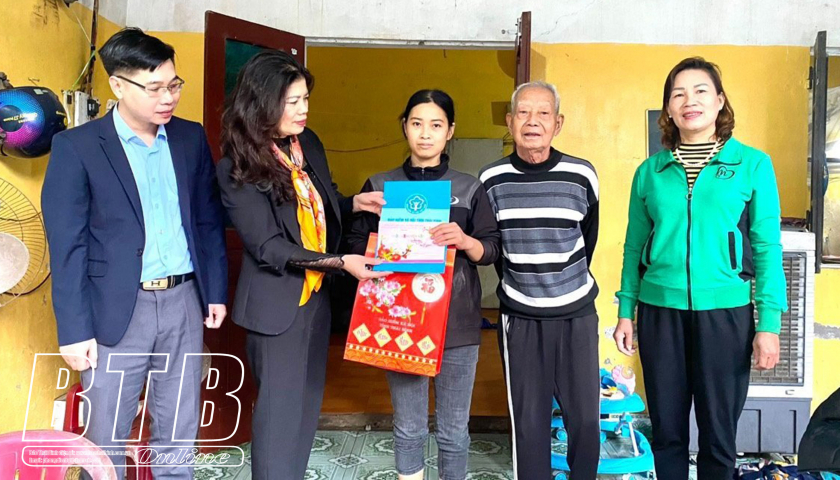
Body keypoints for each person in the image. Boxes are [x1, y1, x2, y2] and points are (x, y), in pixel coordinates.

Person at [42, 28, 228, 478]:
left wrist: (214, 291)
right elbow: (67, 246)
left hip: (183, 303)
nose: (168, 98)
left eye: (174, 85)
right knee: (106, 436)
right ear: (118, 85)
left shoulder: (189, 138)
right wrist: (73, 330)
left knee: (179, 431)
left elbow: (206, 220)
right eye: (154, 88)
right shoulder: (77, 147)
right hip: (115, 310)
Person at [216, 50, 388, 480]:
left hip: (316, 301)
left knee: (305, 411)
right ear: (262, 103)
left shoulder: (306, 143)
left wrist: (353, 203)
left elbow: (314, 210)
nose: (302, 109)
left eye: (305, 98)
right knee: (277, 420)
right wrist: (340, 262)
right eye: (291, 101)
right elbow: (269, 246)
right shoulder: (238, 165)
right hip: (277, 308)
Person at [613, 56, 788, 480]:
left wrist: (769, 324)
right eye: (678, 94)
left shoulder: (752, 164)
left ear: (719, 101)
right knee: (667, 432)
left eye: (700, 91)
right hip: (660, 313)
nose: (689, 101)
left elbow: (767, 247)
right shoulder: (650, 172)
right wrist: (626, 311)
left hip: (725, 315)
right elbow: (634, 246)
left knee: (718, 436)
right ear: (668, 109)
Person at [346, 89, 500, 480]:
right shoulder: (381, 185)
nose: (426, 134)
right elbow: (354, 243)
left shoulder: (469, 188)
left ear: (450, 131)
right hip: (400, 320)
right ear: (404, 127)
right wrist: (384, 245)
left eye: (436, 125)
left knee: (453, 431)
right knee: (409, 426)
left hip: (456, 323)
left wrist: (463, 240)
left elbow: (491, 249)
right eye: (417, 123)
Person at [478, 81, 601, 480]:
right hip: (520, 316)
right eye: (523, 113)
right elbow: (495, 246)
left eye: (543, 113)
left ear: (557, 123)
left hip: (576, 312)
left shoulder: (581, 174)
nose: (533, 122)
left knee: (586, 420)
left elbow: (588, 237)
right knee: (529, 425)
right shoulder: (491, 179)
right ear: (510, 121)